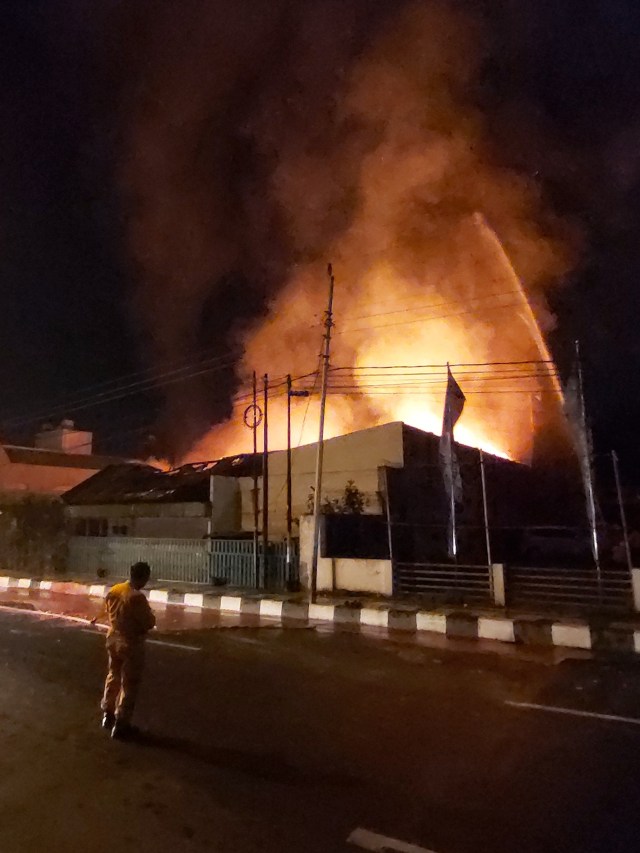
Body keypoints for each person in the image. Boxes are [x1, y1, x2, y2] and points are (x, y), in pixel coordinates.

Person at [96, 562, 156, 740]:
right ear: (144, 577)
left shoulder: (115, 589)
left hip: (112, 638)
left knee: (113, 675)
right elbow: (149, 622)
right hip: (130, 642)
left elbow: (107, 610)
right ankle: (122, 724)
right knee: (129, 683)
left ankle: (108, 714)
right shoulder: (136, 597)